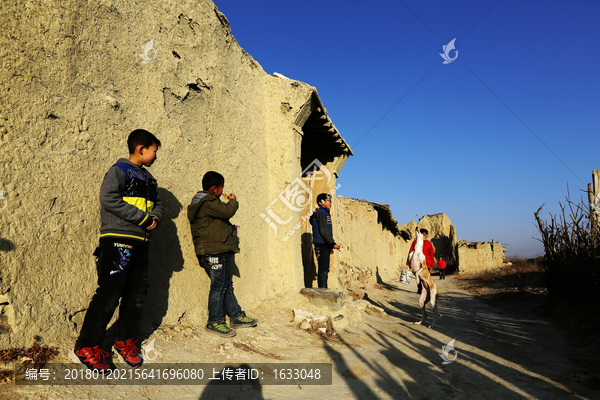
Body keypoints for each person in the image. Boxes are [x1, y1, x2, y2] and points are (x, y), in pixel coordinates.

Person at [72, 129, 163, 371]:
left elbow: (158, 204)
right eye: (154, 150)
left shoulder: (150, 180)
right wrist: (143, 219)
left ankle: (125, 340)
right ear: (141, 149)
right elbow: (108, 198)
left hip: (141, 243)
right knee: (110, 293)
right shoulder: (119, 171)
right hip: (118, 242)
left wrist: (155, 216)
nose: (156, 156)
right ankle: (87, 345)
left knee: (137, 294)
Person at [188, 171, 257, 338]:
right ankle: (215, 321)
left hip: (218, 249)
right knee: (219, 286)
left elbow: (215, 224)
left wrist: (228, 230)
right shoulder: (208, 201)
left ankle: (236, 316)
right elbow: (227, 211)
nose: (223, 191)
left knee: (226, 284)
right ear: (213, 189)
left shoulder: (207, 202)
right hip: (214, 252)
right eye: (221, 188)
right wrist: (233, 201)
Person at [309, 193, 340, 288]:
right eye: (328, 201)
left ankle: (323, 289)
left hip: (324, 245)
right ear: (322, 201)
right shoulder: (322, 212)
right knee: (323, 269)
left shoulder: (323, 212)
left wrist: (329, 246)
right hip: (321, 245)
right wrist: (332, 243)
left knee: (324, 268)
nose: (330, 203)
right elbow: (323, 230)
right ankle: (323, 290)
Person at [406, 228, 435, 294]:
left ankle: (426, 289)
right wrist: (408, 262)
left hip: (427, 263)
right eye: (423, 234)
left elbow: (432, 253)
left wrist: (432, 263)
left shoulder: (428, 243)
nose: (424, 236)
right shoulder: (415, 243)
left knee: (425, 277)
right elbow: (411, 252)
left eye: (425, 234)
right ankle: (419, 288)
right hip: (417, 263)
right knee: (419, 276)